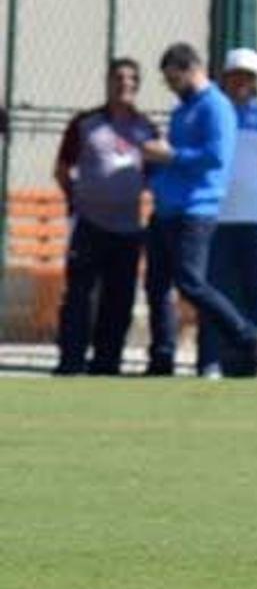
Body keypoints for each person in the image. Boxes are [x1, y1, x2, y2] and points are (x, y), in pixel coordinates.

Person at [142, 42, 257, 378]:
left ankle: (245, 335)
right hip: (166, 209)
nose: (171, 87)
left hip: (196, 210)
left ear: (190, 70)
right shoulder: (183, 110)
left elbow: (214, 157)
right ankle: (161, 357)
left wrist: (170, 156)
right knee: (156, 285)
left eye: (173, 79)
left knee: (191, 282)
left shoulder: (216, 107)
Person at [52, 57, 157, 375]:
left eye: (131, 79)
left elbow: (154, 174)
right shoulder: (84, 123)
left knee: (120, 299)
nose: (124, 84)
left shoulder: (146, 129)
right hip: (89, 225)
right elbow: (61, 169)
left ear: (137, 86)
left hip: (127, 229)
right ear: (108, 82)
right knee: (79, 297)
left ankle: (107, 363)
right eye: (119, 78)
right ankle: (70, 360)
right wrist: (76, 198)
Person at [198, 47, 257, 377]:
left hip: (255, 220)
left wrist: (256, 193)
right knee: (213, 292)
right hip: (214, 219)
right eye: (236, 74)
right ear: (224, 77)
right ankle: (211, 361)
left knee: (255, 291)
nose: (242, 81)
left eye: (249, 76)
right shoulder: (212, 111)